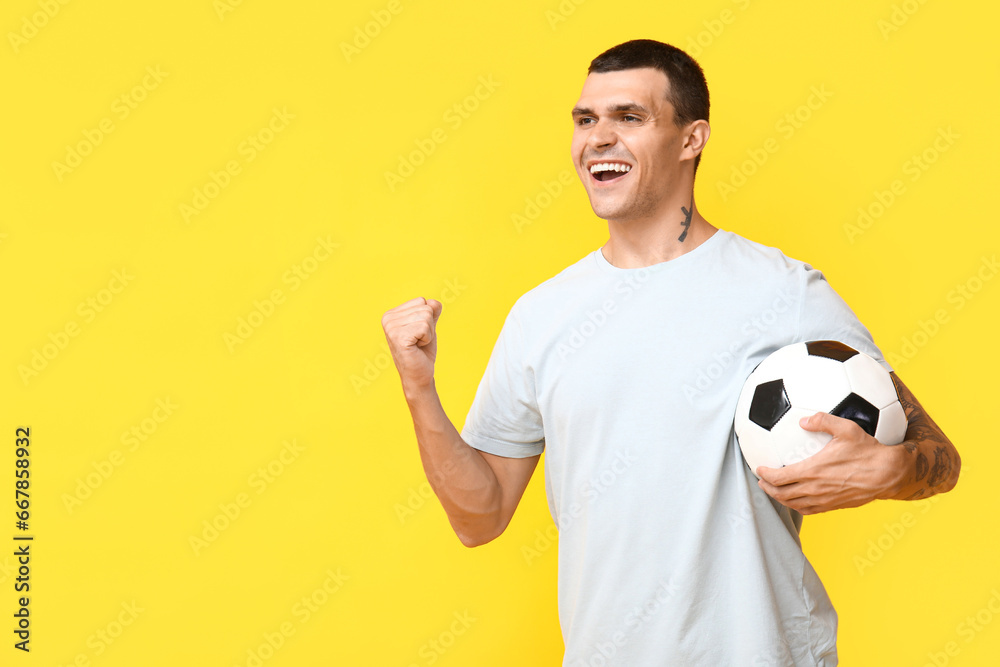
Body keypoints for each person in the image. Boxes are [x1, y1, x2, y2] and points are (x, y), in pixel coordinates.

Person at [381, 39, 960, 666]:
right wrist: (418, 385)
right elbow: (480, 516)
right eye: (585, 120)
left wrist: (893, 470)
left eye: (629, 117)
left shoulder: (785, 291)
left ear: (692, 139)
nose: (597, 137)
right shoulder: (541, 316)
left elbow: (939, 455)